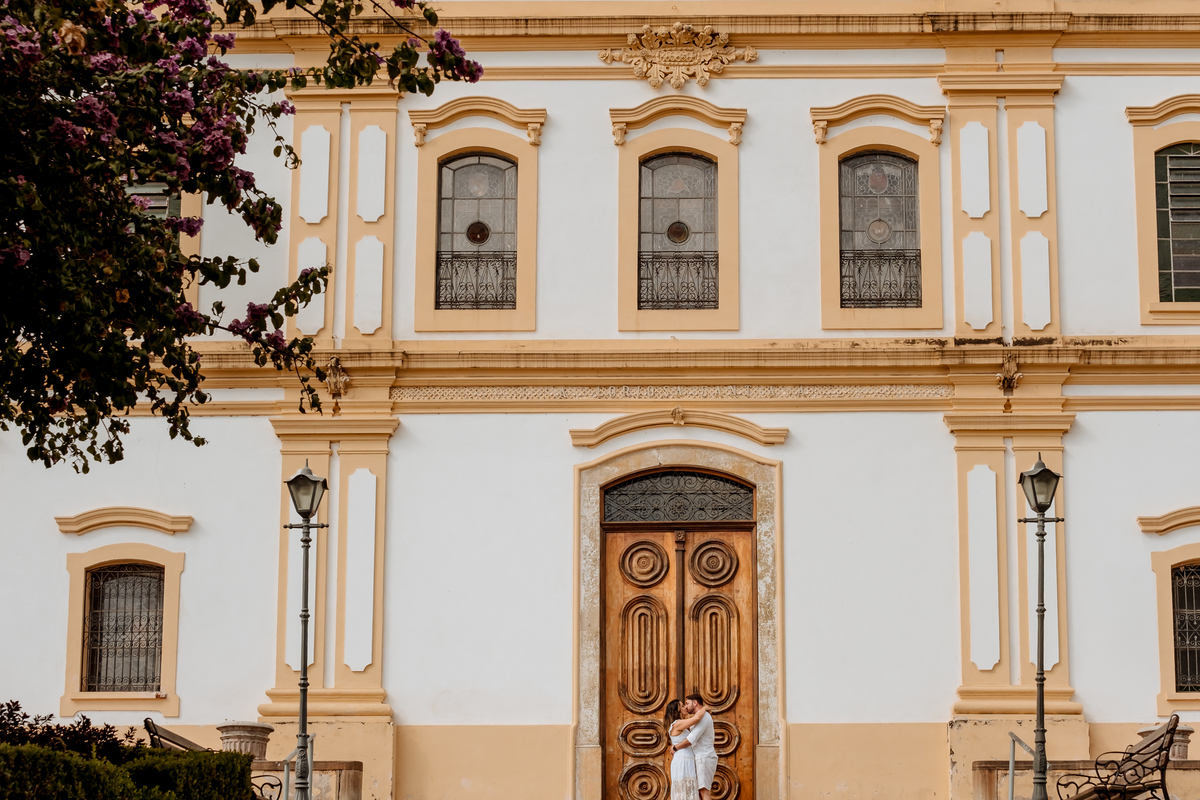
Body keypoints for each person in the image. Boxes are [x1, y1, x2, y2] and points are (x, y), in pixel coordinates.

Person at [670, 694, 716, 800]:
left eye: (687, 703)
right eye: (684, 705)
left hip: (704, 757)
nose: (686, 706)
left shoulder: (704, 716)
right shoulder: (694, 719)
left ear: (695, 703)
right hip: (697, 758)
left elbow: (691, 739)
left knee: (703, 791)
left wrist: (676, 748)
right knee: (698, 792)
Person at [663, 698, 706, 800]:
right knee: (684, 791)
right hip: (683, 761)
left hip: (685, 759)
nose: (685, 707)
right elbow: (696, 719)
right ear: (677, 711)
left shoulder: (680, 724)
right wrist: (704, 708)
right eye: (682, 706)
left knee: (687, 791)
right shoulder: (677, 723)